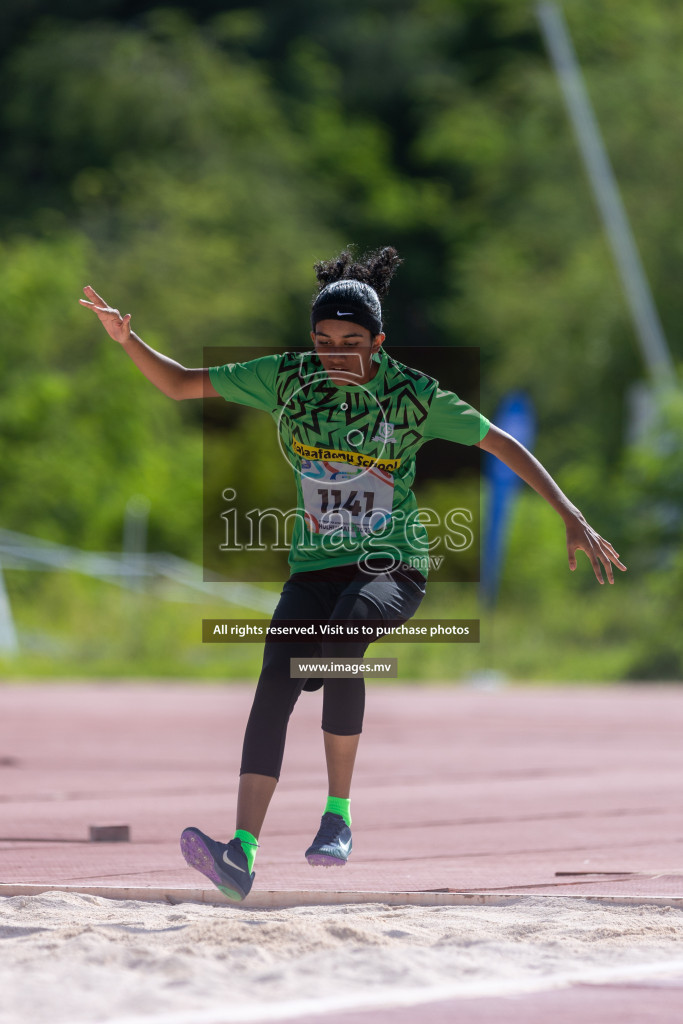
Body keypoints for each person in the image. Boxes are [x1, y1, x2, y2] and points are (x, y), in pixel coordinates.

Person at [79, 246, 625, 902]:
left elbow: (502, 443)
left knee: (340, 641)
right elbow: (177, 382)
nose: (335, 355)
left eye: (350, 343)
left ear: (378, 343)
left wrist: (570, 516)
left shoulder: (414, 396)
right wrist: (126, 338)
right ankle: (240, 853)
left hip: (392, 566)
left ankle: (336, 818)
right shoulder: (286, 378)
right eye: (323, 341)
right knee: (273, 684)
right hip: (313, 568)